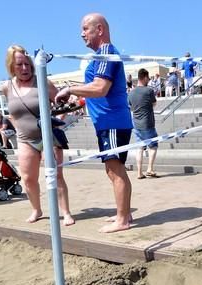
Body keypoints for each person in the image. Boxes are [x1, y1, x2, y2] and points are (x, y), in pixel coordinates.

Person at [55, 13, 133, 233]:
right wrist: (75, 98)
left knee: (115, 170)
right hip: (107, 122)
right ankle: (124, 213)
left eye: (85, 29)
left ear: (99, 29)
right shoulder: (101, 55)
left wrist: (70, 88)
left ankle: (123, 219)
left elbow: (100, 88)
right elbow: (95, 90)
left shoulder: (106, 52)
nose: (82, 34)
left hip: (113, 121)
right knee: (112, 169)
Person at [2, 45, 74, 226]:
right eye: (19, 65)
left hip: (48, 138)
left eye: (27, 64)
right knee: (28, 178)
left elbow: (62, 105)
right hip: (25, 140)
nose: (25, 68)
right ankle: (36, 209)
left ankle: (65, 212)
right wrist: (18, 127)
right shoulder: (6, 87)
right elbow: (12, 112)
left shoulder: (43, 82)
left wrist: (56, 123)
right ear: (11, 66)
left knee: (56, 175)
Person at [128, 68, 159, 180]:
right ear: (145, 77)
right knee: (153, 146)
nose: (149, 80)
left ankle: (139, 172)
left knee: (140, 148)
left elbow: (130, 106)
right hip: (148, 123)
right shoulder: (148, 91)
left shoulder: (131, 93)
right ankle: (150, 169)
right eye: (148, 78)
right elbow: (154, 103)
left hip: (136, 124)